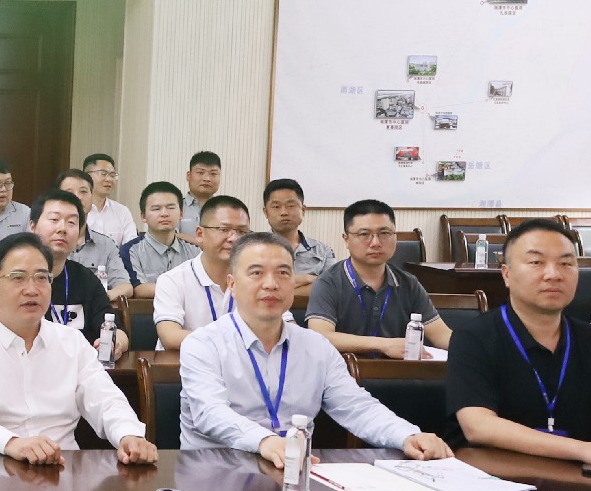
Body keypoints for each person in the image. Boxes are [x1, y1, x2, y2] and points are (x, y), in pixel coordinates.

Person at [180, 232, 452, 462]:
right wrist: (265, 441)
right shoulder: (203, 345)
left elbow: (356, 406)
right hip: (216, 471)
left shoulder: (316, 347)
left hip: (294, 471)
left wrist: (407, 435)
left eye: (283, 273)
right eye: (256, 273)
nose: (271, 284)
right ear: (232, 284)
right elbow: (210, 413)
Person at [446, 218, 591, 467]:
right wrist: (585, 451)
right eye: (536, 262)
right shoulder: (474, 337)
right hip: (500, 478)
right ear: (506, 274)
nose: (553, 274)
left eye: (566, 264)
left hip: (584, 481)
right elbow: (479, 426)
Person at [0, 233, 156, 466]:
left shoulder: (71, 341)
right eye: (18, 278)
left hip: (62, 470)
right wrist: (12, 443)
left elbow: (106, 399)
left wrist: (129, 435)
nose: (32, 289)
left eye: (42, 278)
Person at [0, 190, 127, 358]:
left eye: (71, 222)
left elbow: (116, 329)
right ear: (32, 226)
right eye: (54, 220)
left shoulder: (86, 279)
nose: (62, 229)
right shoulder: (4, 276)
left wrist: (114, 343)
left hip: (75, 367)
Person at [307, 199, 452, 357]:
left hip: (398, 371)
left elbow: (441, 335)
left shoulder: (408, 283)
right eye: (364, 234)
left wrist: (468, 346)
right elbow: (320, 336)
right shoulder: (329, 282)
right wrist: (383, 345)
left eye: (384, 233)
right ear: (346, 239)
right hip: (344, 370)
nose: (375, 243)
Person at [153, 196, 251, 350]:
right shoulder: (173, 280)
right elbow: (170, 337)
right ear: (200, 234)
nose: (233, 238)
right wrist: (229, 341)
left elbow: (281, 326)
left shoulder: (255, 280)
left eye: (242, 231)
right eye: (223, 229)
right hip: (182, 363)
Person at [56, 170, 132, 300]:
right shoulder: (46, 241)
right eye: (69, 192)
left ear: (92, 198)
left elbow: (125, 287)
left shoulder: (106, 245)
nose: (77, 197)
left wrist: (99, 300)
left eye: (83, 192)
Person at [118, 181, 199, 297]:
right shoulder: (130, 251)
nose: (164, 214)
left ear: (181, 214)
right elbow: (139, 289)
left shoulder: (195, 251)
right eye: (156, 209)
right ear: (143, 216)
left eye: (171, 207)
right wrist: (184, 289)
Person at [262, 179, 334, 293]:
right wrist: (308, 279)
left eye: (291, 206)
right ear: (266, 212)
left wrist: (278, 289)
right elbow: (250, 287)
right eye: (276, 207)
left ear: (303, 210)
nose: (284, 212)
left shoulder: (323, 251)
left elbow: (331, 289)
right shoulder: (252, 248)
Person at [82, 154, 136, 245]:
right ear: (86, 176)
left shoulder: (122, 212)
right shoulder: (76, 209)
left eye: (112, 175)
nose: (109, 179)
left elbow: (131, 246)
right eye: (103, 174)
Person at [178, 151, 222, 239]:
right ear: (188, 176)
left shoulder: (225, 210)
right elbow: (170, 237)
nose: (207, 179)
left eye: (213, 174)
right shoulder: (176, 207)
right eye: (200, 173)